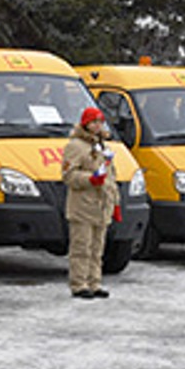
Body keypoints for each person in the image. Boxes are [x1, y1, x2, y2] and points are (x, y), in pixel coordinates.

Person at [61, 106, 121, 298]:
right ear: (85, 123)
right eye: (93, 122)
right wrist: (90, 179)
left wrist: (116, 203)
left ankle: (95, 282)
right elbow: (68, 176)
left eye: (100, 122)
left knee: (97, 249)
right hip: (82, 206)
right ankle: (79, 284)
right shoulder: (75, 146)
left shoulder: (103, 146)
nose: (97, 125)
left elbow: (111, 176)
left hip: (102, 206)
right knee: (81, 247)